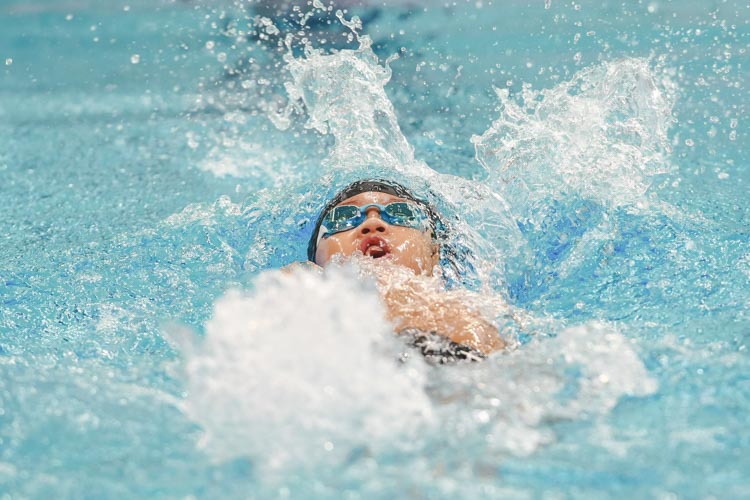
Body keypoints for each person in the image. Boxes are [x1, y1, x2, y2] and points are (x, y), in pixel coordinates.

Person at [303, 179, 507, 363]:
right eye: (342, 218)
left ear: (433, 254)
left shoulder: (466, 318)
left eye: (401, 214)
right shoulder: (292, 297)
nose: (372, 223)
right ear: (316, 259)